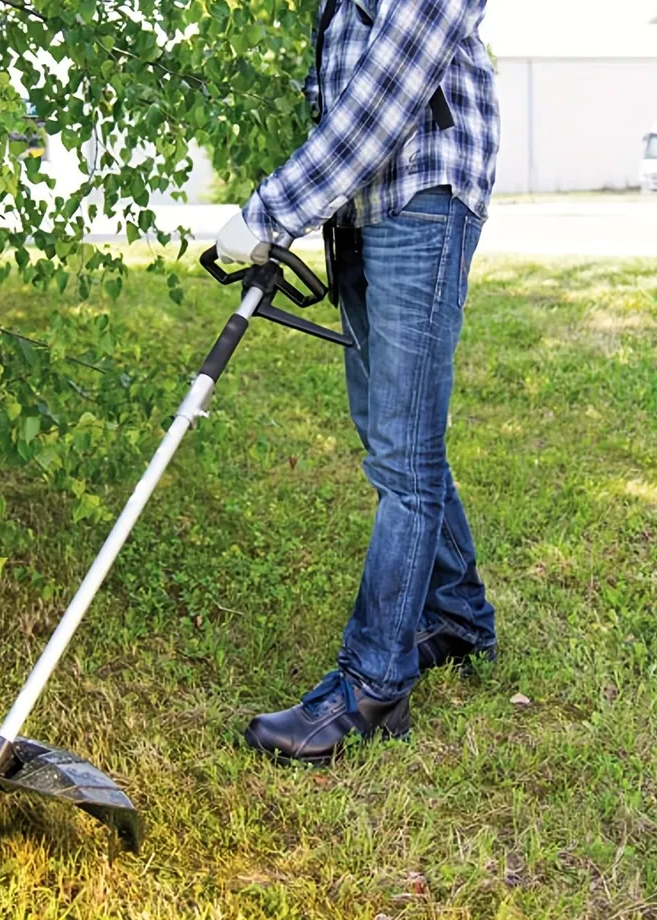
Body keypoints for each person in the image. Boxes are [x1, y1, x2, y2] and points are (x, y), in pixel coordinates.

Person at [214, 0, 500, 763]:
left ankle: (374, 684)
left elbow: (391, 81)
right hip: (366, 208)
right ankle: (460, 617)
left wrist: (274, 210)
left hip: (421, 199)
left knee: (403, 461)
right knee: (392, 434)